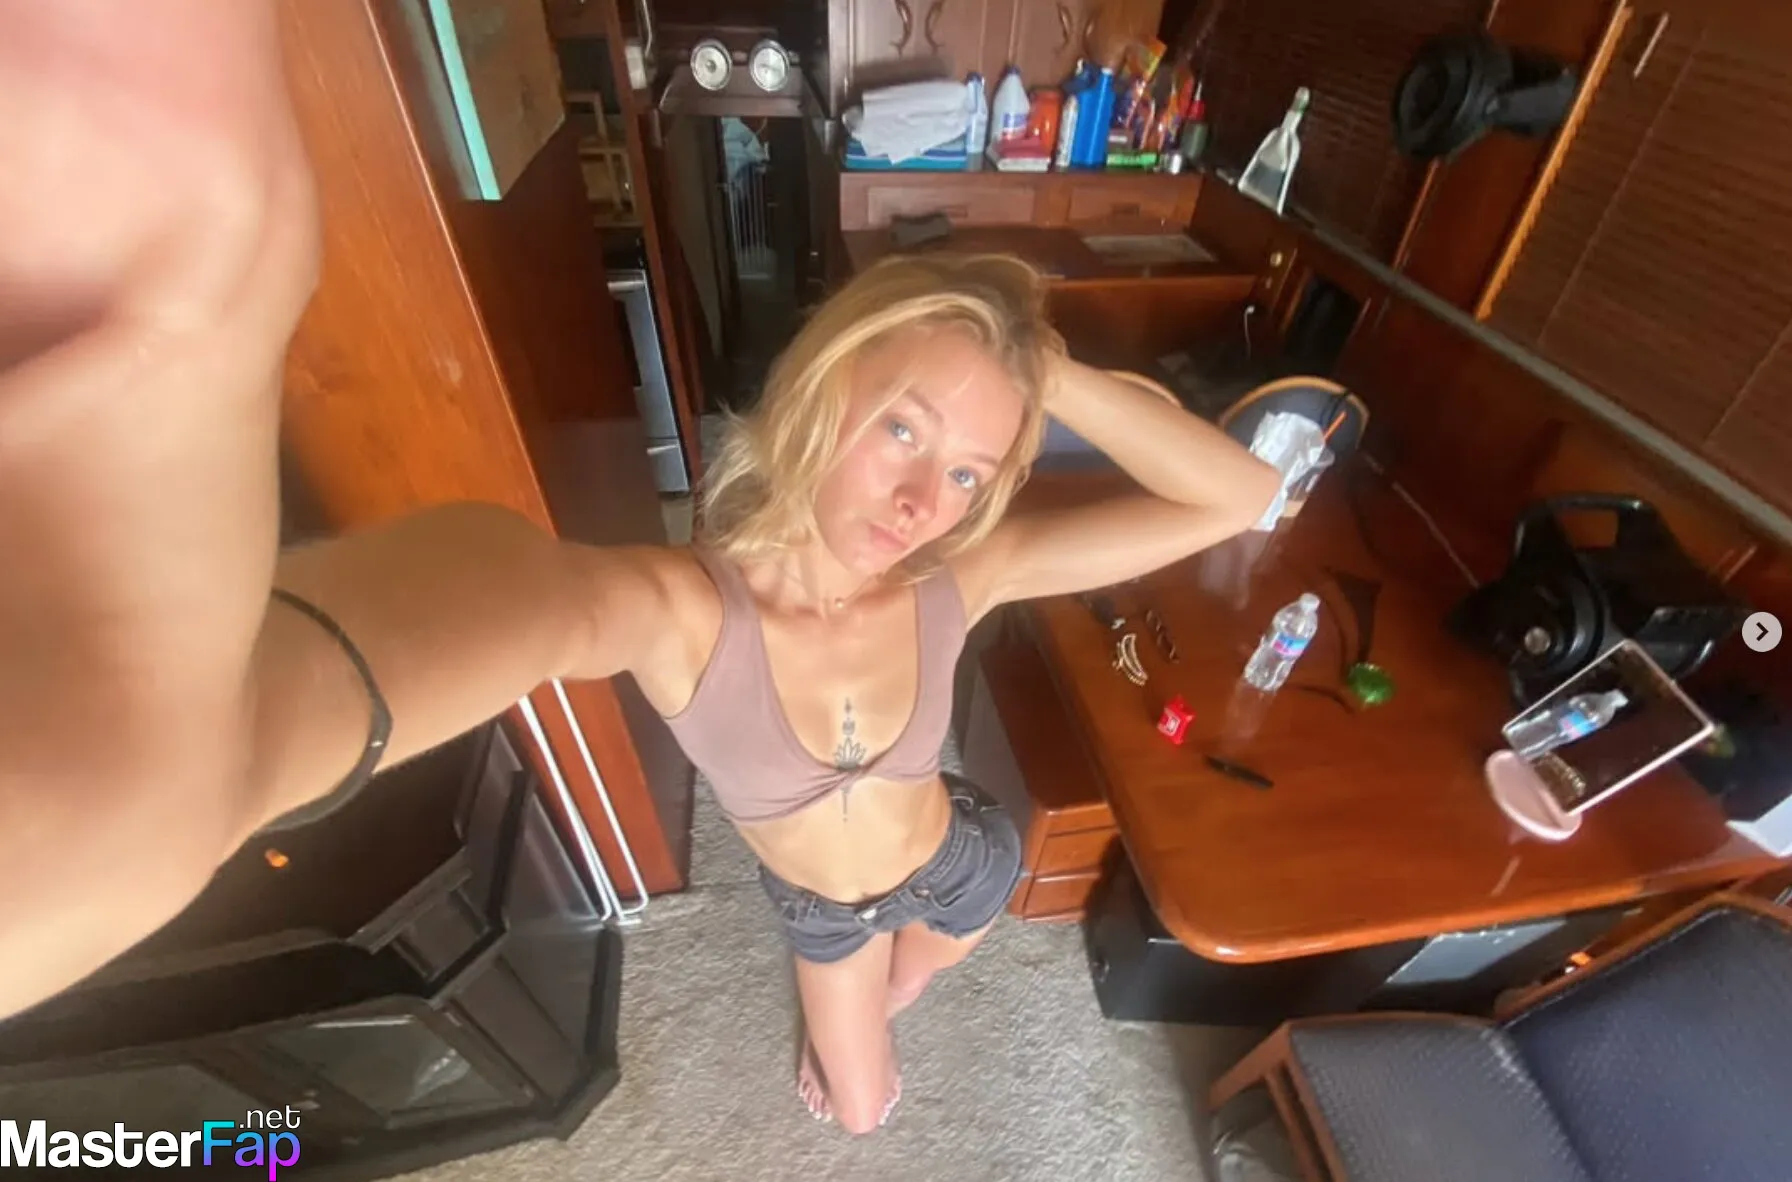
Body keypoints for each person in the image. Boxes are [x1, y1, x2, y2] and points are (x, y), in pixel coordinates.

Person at [0, 0, 1280, 1135]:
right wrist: (253, 732)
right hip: (821, 909)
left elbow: (1236, 496)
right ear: (827, 387)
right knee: (863, 1115)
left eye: (964, 474)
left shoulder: (963, 577)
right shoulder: (685, 613)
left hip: (962, 866)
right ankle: (857, 1004)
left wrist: (1044, 366)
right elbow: (545, 602)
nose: (919, 502)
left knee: (932, 958)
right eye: (903, 429)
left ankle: (903, 976)